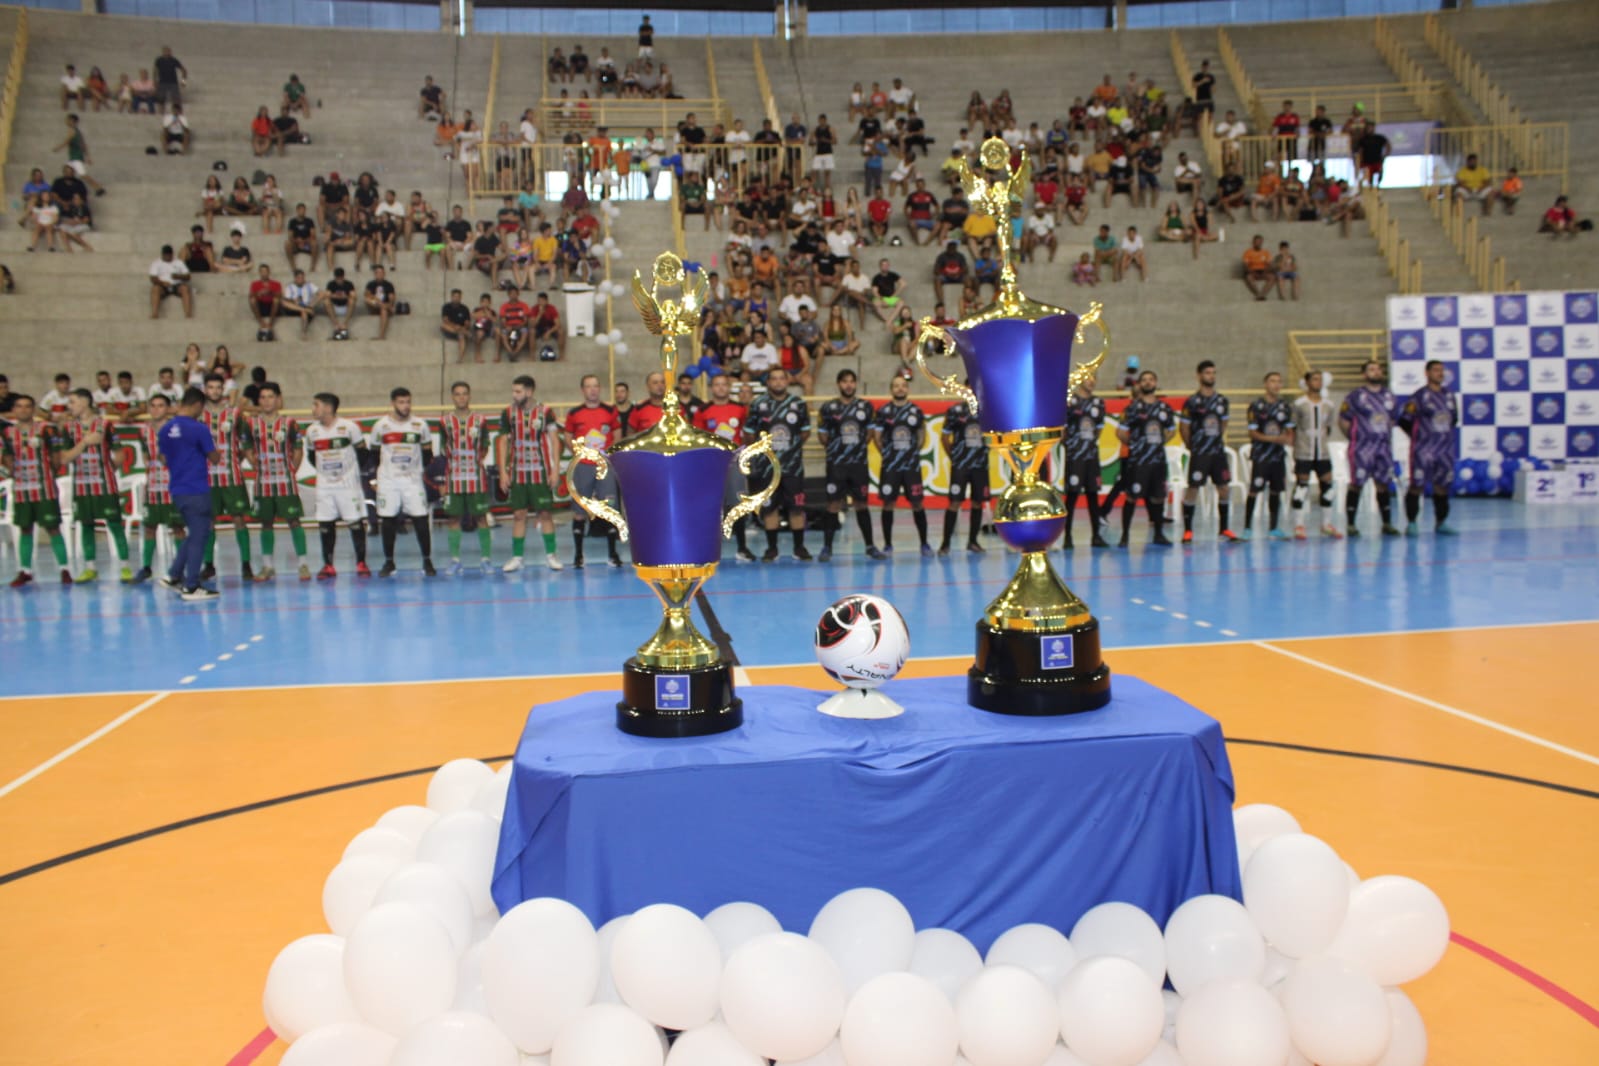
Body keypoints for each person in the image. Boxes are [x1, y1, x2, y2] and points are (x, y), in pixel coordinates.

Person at [59, 389, 132, 583]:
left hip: (105, 485)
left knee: (115, 523)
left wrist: (107, 470)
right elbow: (65, 458)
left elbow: (120, 454)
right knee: (86, 525)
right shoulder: (69, 428)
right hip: (82, 486)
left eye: (73, 402)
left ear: (85, 402)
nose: (70, 406)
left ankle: (125, 566)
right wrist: (84, 442)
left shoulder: (106, 425)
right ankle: (90, 567)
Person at [2, 396, 73, 587]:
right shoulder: (7, 433)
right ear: (14, 410)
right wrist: (12, 470)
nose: (23, 410)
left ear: (33, 409)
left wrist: (47, 473)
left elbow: (57, 458)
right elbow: (6, 458)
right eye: (19, 406)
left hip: (45, 489)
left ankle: (64, 569)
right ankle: (25, 571)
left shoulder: (45, 430)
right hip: (22, 490)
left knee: (53, 528)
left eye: (27, 407)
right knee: (25, 528)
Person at [496, 375, 564, 573]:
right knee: (518, 515)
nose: (514, 395)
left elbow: (554, 440)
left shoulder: (545, 412)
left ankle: (551, 556)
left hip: (540, 472)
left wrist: (555, 469)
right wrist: (502, 472)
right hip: (517, 472)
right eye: (513, 391)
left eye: (518, 391)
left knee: (545, 513)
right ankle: (517, 557)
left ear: (529, 391)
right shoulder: (508, 413)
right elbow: (502, 442)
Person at [157, 388, 219, 600]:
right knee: (200, 535)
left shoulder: (164, 429)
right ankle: (191, 585)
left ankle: (174, 574)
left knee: (195, 532)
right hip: (196, 488)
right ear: (197, 405)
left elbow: (163, 459)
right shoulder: (198, 428)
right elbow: (214, 457)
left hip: (177, 489)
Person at [745, 367, 811, 562]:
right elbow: (749, 433)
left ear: (788, 381)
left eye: (782, 378)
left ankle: (799, 548)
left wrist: (788, 450)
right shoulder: (758, 404)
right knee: (769, 508)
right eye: (774, 379)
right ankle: (772, 549)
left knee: (797, 508)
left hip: (793, 467)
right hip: (767, 468)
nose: (778, 382)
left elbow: (805, 432)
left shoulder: (798, 404)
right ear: (768, 382)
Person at [245, 382, 309, 581]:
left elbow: (298, 449)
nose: (266, 401)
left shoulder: (289, 423)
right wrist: (254, 463)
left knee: (294, 521)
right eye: (262, 397)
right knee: (265, 523)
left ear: (278, 399)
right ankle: (267, 566)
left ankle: (303, 564)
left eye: (270, 396)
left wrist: (292, 470)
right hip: (263, 481)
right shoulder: (251, 424)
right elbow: (247, 447)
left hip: (285, 481)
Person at [369, 387, 435, 577]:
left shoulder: (420, 425)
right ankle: (389, 562)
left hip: (412, 480)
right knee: (388, 520)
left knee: (420, 519)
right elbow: (373, 455)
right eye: (401, 402)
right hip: (388, 480)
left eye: (408, 402)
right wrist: (375, 479)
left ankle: (427, 561)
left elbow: (427, 453)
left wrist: (418, 471)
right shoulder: (380, 426)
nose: (405, 406)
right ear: (393, 403)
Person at [304, 392, 370, 579]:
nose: (313, 409)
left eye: (315, 405)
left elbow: (363, 453)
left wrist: (349, 473)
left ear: (328, 407)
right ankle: (328, 565)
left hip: (347, 485)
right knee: (325, 523)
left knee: (355, 522)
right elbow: (311, 456)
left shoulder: (349, 428)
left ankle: (361, 563)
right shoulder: (312, 431)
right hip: (325, 486)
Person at [562, 374, 624, 569]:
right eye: (588, 386)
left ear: (600, 389)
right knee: (580, 510)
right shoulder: (574, 413)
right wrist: (577, 453)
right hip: (583, 467)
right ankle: (578, 555)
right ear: (583, 390)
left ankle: (613, 554)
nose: (593, 390)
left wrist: (611, 456)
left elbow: (617, 434)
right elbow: (567, 435)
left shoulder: (610, 411)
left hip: (605, 465)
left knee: (610, 508)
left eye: (596, 386)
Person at [816, 368, 878, 562]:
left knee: (861, 503)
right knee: (833, 504)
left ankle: (870, 546)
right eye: (844, 381)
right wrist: (838, 450)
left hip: (858, 464)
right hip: (836, 464)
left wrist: (855, 449)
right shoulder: (827, 408)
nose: (848, 385)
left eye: (852, 381)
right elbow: (822, 436)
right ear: (838, 384)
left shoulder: (866, 407)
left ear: (856, 384)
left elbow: (869, 434)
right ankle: (827, 547)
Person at [693, 371, 757, 561]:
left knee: (738, 504)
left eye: (724, 384)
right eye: (717, 384)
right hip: (711, 462)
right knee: (711, 506)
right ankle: (708, 551)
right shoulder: (703, 410)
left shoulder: (741, 409)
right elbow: (698, 439)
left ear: (729, 388)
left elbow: (748, 434)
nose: (721, 388)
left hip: (735, 461)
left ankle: (742, 547)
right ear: (712, 388)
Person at [431, 381, 494, 573]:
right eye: (457, 394)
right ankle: (455, 560)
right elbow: (443, 445)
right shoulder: (444, 421)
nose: (461, 397)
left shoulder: (480, 420)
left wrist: (475, 461)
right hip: (454, 477)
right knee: (453, 519)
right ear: (452, 397)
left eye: (464, 393)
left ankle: (486, 559)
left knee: (481, 517)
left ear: (469, 396)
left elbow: (485, 444)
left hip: (476, 477)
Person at [198, 372, 255, 580]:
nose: (214, 391)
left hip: (231, 476)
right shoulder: (198, 415)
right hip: (206, 478)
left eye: (218, 387)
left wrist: (237, 460)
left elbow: (246, 442)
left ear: (223, 390)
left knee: (239, 519)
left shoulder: (235, 414)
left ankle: (246, 564)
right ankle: (209, 564)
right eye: (210, 387)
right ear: (205, 389)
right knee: (208, 521)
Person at [1338, 360, 1402, 537]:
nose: (1376, 372)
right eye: (1371, 369)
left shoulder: (1389, 396)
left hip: (1383, 448)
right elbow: (1343, 420)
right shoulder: (1355, 396)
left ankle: (1387, 523)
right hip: (1362, 448)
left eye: (1378, 369)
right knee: (1356, 484)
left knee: (1383, 484)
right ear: (1364, 374)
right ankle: (1351, 524)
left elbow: (1393, 419)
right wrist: (1355, 438)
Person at [871, 370, 930, 556]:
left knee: (918, 504)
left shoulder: (916, 411)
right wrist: (890, 455)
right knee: (888, 504)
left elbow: (921, 435)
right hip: (890, 467)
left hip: (911, 467)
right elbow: (877, 438)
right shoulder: (883, 411)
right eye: (896, 386)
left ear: (908, 389)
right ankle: (888, 545)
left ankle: (924, 544)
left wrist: (911, 453)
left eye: (903, 385)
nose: (900, 388)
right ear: (891, 389)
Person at [130, 393, 187, 583]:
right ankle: (146, 567)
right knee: (149, 527)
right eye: (153, 406)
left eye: (161, 405)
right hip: (153, 486)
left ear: (168, 408)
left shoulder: (177, 429)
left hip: (173, 485)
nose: (156, 409)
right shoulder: (144, 431)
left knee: (178, 528)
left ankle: (180, 568)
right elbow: (146, 455)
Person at [1115, 371, 1176, 547]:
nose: (1148, 382)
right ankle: (1125, 536)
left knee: (1158, 497)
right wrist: (1135, 444)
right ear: (1140, 384)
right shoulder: (1133, 408)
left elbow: (1171, 430)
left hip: (1157, 461)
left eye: (1151, 379)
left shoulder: (1165, 408)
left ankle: (1158, 534)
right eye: (1144, 380)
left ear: (1156, 382)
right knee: (1132, 496)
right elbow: (1120, 432)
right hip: (1138, 462)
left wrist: (1161, 441)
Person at [1400, 360, 1459, 536]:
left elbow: (1453, 420)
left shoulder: (1449, 396)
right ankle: (1411, 523)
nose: (1440, 373)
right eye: (1435, 370)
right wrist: (1419, 437)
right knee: (1416, 485)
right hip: (1423, 450)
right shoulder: (1419, 396)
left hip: (1445, 450)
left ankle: (1441, 523)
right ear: (1427, 373)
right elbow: (1404, 420)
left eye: (1442, 370)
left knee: (1442, 486)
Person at [1179, 359, 1235, 543]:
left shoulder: (1222, 401)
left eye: (1213, 373)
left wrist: (1215, 440)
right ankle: (1188, 531)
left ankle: (1224, 529)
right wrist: (1192, 445)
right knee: (1193, 489)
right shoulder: (1192, 402)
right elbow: (1184, 428)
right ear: (1199, 376)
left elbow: (1224, 424)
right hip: (1200, 452)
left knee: (1224, 488)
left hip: (1217, 452)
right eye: (1207, 373)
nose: (1211, 376)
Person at [1290, 369, 1341, 540]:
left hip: (1323, 453)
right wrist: (1295, 450)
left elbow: (1328, 427)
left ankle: (1326, 524)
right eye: (1314, 379)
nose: (1318, 383)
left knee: (1327, 487)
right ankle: (1299, 525)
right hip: (1304, 453)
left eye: (1320, 379)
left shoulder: (1329, 405)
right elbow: (1293, 428)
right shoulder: (1299, 404)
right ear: (1307, 382)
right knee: (1301, 488)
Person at [1243, 372, 1294, 541]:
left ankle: (1274, 527)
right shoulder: (1256, 406)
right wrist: (1275, 439)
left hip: (1278, 456)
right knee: (1254, 490)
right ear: (1265, 384)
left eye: (1279, 382)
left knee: (1276, 491)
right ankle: (1247, 528)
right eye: (1273, 381)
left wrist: (1288, 438)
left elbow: (1289, 432)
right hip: (1261, 456)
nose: (1276, 385)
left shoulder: (1285, 407)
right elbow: (1253, 433)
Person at [1064, 371, 1109, 549]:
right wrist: (1073, 445)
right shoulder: (1069, 401)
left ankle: (1096, 535)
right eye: (1087, 378)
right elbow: (1063, 430)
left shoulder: (1098, 403)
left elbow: (1098, 429)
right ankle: (1067, 536)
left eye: (1094, 379)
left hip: (1091, 455)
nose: (1091, 382)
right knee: (1072, 496)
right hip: (1075, 456)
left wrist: (1088, 444)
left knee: (1092, 495)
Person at [940, 396, 989, 555]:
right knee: (954, 502)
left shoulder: (987, 409)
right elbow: (945, 437)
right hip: (960, 465)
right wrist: (954, 456)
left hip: (980, 465)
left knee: (977, 502)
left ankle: (973, 541)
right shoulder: (955, 411)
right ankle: (945, 544)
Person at [150, 245, 194, 319]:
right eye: (166, 254)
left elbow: (188, 276)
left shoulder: (179, 262)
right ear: (162, 254)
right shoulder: (156, 263)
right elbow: (153, 278)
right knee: (155, 289)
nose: (167, 256)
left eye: (169, 254)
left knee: (185, 288)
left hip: (176, 285)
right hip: (163, 286)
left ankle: (188, 313)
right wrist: (162, 283)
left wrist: (178, 276)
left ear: (172, 254)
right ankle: (155, 313)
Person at [363, 265, 397, 340]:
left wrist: (388, 305)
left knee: (384, 310)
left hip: (385, 306)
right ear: (375, 274)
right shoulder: (371, 284)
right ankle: (384, 306)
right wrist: (379, 301)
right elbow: (367, 295)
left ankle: (381, 335)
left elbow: (391, 298)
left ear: (384, 273)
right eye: (378, 272)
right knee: (367, 299)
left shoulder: (389, 285)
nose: (379, 274)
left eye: (381, 272)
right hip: (375, 306)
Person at [1243, 235, 1275, 301]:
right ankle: (1259, 294)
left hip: (1263, 271)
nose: (1258, 243)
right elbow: (1245, 265)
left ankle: (1262, 294)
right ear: (1253, 242)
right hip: (1252, 271)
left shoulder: (1266, 252)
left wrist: (1265, 271)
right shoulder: (1248, 252)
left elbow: (1270, 265)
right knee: (1248, 277)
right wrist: (1251, 271)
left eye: (1260, 242)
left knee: (1272, 277)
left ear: (1262, 242)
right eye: (1257, 242)